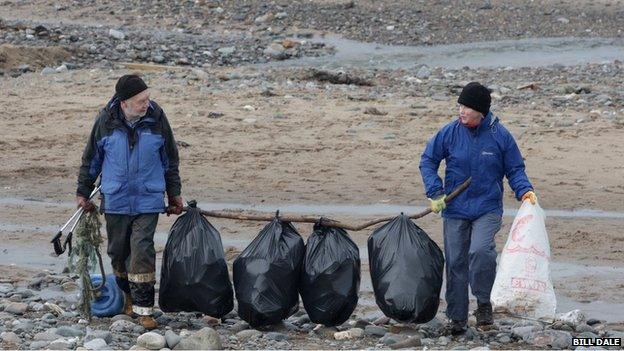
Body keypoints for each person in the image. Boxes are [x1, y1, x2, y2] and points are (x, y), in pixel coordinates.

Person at [419, 82, 536, 335]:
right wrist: (435, 192)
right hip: (454, 207)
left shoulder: (500, 136)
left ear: (481, 113)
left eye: (467, 108)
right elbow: (428, 160)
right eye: (460, 106)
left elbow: (514, 168)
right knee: (456, 261)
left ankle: (483, 304)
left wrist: (524, 190)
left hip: (487, 207)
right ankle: (456, 318)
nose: (461, 111)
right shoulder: (449, 132)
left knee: (481, 252)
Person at [76, 74, 183, 329]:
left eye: (147, 98)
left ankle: (144, 310)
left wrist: (174, 193)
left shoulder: (157, 118)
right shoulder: (105, 121)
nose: (146, 104)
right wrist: (83, 192)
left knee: (142, 250)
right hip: (116, 199)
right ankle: (127, 299)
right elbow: (92, 159)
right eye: (140, 100)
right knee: (118, 253)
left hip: (148, 199)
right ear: (124, 103)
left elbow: (170, 158)